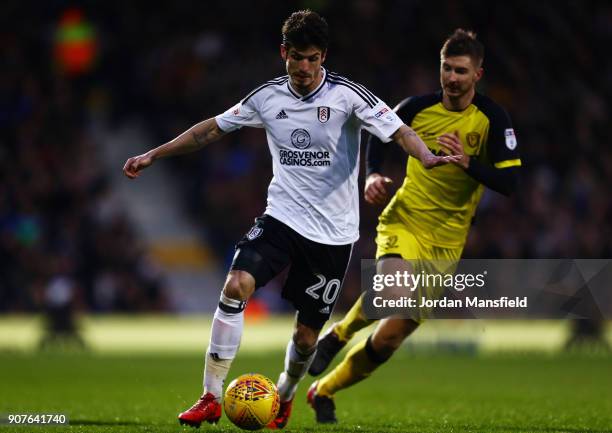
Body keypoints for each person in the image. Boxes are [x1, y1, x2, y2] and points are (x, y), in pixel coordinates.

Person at [122, 10, 456, 429]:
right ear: (284, 53)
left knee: (305, 339)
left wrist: (426, 156)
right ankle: (209, 395)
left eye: (312, 58)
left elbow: (400, 131)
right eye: (296, 57)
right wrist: (155, 153)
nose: (303, 67)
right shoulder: (267, 97)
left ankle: (284, 393)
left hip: (333, 235)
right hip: (281, 217)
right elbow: (210, 130)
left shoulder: (348, 96)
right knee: (236, 284)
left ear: (324, 57)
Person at [307, 29, 522, 424]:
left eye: (461, 70)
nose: (452, 77)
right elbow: (379, 134)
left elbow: (510, 184)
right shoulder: (416, 108)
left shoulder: (492, 118)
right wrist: (371, 175)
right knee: (394, 289)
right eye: (446, 68)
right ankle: (337, 335)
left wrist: (469, 164)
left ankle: (323, 390)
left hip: (448, 242)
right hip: (405, 218)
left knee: (389, 338)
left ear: (478, 74)